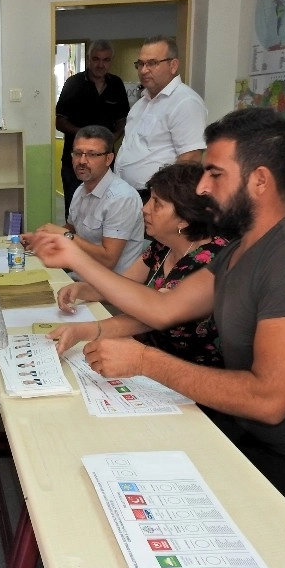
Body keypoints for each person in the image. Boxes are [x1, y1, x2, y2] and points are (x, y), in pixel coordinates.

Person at [31, 108, 285, 516]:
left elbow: (268, 399)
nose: (204, 188)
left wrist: (145, 360)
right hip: (248, 433)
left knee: (140, 499)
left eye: (215, 174)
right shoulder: (236, 253)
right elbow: (162, 308)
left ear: (259, 181)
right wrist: (75, 256)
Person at [50, 161, 228, 370]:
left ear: (184, 219)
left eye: (157, 203)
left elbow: (149, 317)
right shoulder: (164, 245)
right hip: (148, 360)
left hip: (188, 375)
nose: (145, 208)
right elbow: (124, 286)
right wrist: (83, 289)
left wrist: (84, 330)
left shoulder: (210, 261)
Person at [24, 125, 143, 273]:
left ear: (108, 159)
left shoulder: (122, 198)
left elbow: (108, 259)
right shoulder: (81, 190)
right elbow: (72, 228)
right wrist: (40, 239)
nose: (82, 161)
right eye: (78, 153)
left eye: (92, 155)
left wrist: (64, 235)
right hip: (81, 274)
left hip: (110, 286)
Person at [114, 35, 207, 201]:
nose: (143, 70)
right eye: (140, 64)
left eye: (152, 63)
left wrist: (165, 200)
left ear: (173, 65)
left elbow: (190, 159)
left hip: (157, 197)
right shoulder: (141, 104)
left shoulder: (185, 102)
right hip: (126, 195)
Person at [55, 39, 131, 216]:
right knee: (74, 211)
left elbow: (123, 120)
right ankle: (73, 242)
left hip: (104, 160)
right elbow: (59, 121)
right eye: (96, 59)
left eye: (106, 60)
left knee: (104, 207)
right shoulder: (73, 83)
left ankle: (99, 243)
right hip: (74, 162)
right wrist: (84, 137)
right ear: (89, 60)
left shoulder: (116, 85)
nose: (100, 64)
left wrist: (110, 138)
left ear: (110, 61)